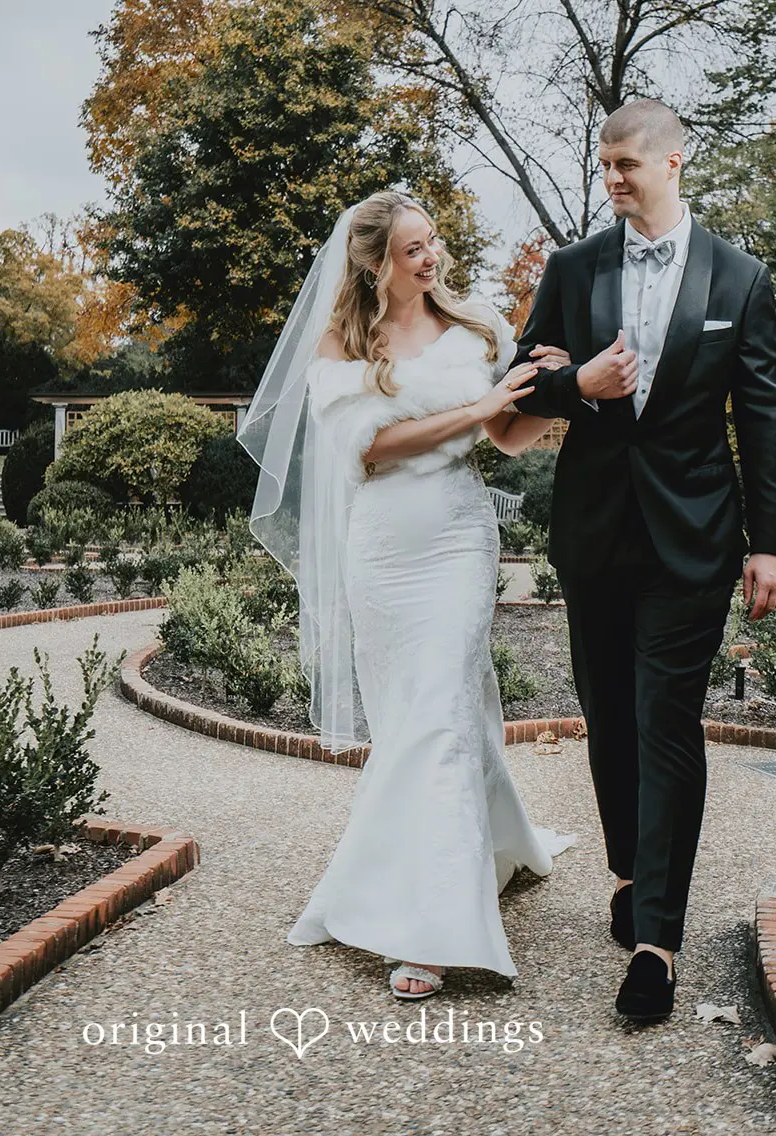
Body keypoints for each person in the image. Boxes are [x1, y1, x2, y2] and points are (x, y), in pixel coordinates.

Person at [237, 190, 575, 1001]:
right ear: (375, 264)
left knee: (439, 706)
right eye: (412, 250)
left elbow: (505, 435)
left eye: (433, 243)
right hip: (384, 546)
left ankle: (430, 928)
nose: (431, 259)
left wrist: (550, 392)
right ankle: (488, 850)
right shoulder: (341, 340)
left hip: (459, 536)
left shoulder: (479, 325)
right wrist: (481, 403)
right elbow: (372, 448)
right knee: (417, 715)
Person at [511, 98, 776, 1023]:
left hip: (694, 537)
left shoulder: (738, 278)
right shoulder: (573, 267)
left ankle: (656, 944)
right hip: (593, 532)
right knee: (607, 715)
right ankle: (630, 871)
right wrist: (575, 384)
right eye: (603, 166)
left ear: (674, 162)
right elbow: (521, 388)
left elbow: (761, 418)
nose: (611, 179)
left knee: (665, 719)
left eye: (626, 163)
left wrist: (769, 543)